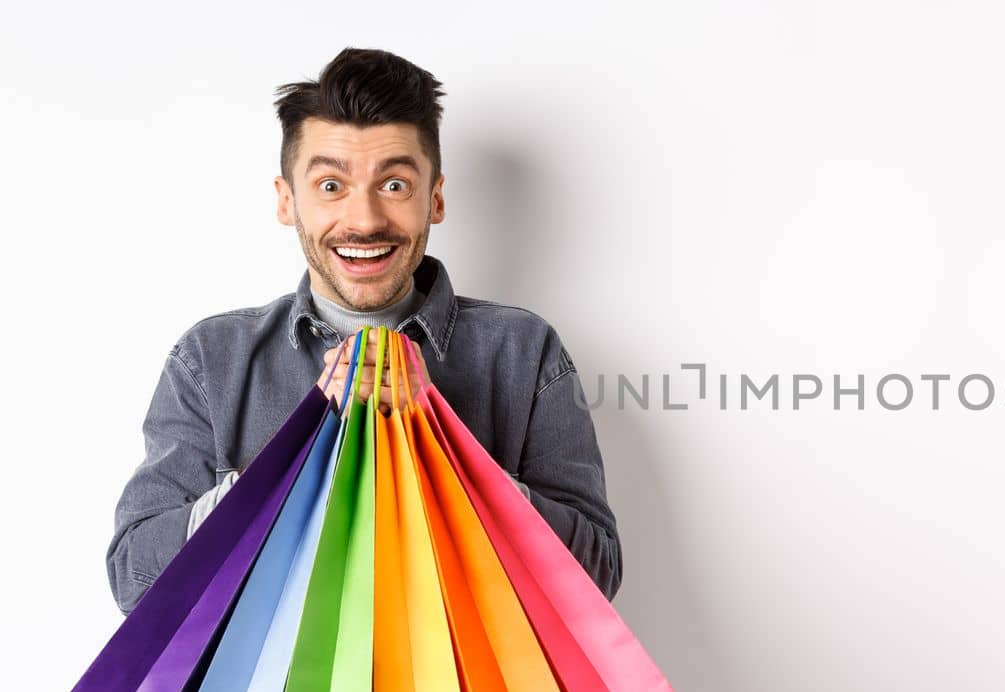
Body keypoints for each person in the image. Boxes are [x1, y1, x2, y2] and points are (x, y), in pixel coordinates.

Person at [106, 47, 622, 614]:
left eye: (395, 184)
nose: (365, 220)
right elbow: (134, 577)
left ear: (437, 196)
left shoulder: (524, 351)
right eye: (331, 186)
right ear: (287, 201)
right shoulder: (211, 359)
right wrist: (290, 465)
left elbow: (596, 576)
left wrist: (450, 454)